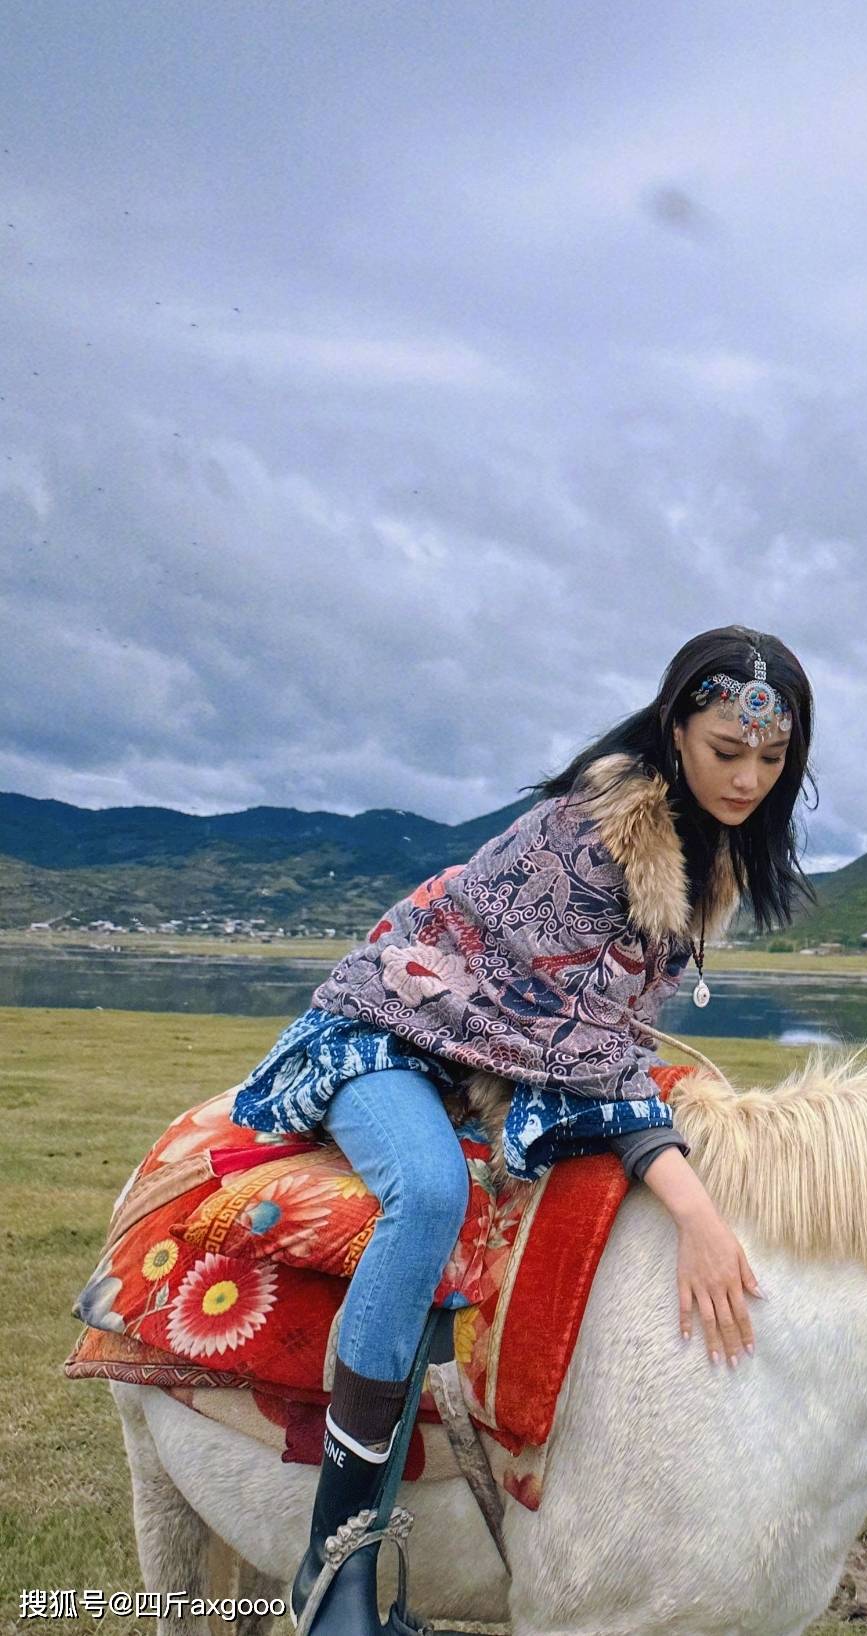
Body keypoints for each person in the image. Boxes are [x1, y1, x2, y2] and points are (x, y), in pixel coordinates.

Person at [228, 624, 816, 1636]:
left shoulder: (701, 854)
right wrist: (692, 1207)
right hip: (389, 1036)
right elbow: (580, 1057)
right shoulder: (591, 837)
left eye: (772, 760)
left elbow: (598, 1041)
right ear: (676, 728)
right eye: (728, 751)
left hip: (490, 1065)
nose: (749, 777)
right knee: (429, 1197)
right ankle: (335, 1571)